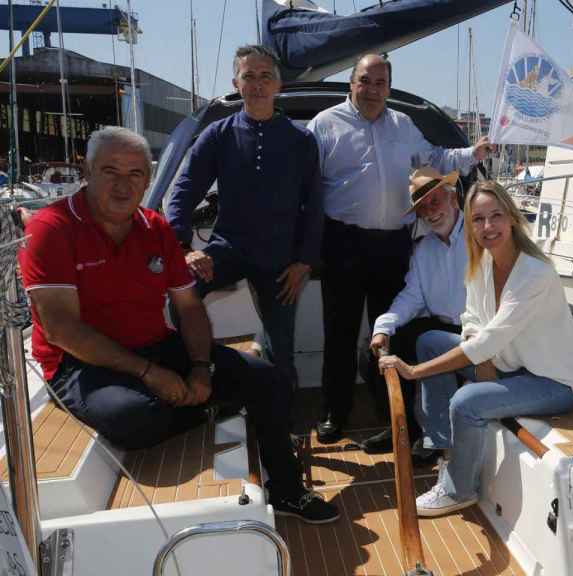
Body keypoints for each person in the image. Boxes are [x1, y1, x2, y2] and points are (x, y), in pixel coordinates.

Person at [19, 127, 338, 524]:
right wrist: (150, 373)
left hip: (154, 344)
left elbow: (189, 308)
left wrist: (200, 367)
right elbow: (62, 330)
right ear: (87, 171)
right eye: (110, 171)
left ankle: (288, 491)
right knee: (135, 418)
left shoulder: (154, 227)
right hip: (80, 363)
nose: (123, 186)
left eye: (135, 174)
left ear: (148, 181)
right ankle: (215, 403)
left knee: (268, 379)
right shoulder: (51, 227)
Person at [378, 180, 573, 517]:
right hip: (511, 364)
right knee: (430, 341)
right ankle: (446, 451)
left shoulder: (534, 272)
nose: (488, 226)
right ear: (471, 224)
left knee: (466, 402)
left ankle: (458, 490)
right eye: (478, 219)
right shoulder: (482, 263)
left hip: (554, 382)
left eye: (496, 216)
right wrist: (482, 355)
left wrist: (414, 371)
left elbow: (490, 339)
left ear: (512, 217)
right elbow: (472, 318)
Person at [307, 53, 490, 444]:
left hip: (392, 244)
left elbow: (435, 158)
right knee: (338, 333)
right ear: (351, 83)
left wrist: (471, 155)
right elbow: (303, 183)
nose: (372, 90)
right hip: (342, 242)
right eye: (365, 81)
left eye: (380, 83)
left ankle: (392, 418)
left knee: (391, 334)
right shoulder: (323, 125)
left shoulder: (404, 125)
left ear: (388, 88)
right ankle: (334, 413)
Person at [166, 45, 321, 388]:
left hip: (280, 260)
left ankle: (282, 411)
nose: (257, 84)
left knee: (282, 350)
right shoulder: (218, 134)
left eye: (266, 76)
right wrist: (183, 247)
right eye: (249, 76)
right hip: (228, 249)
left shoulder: (301, 140)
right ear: (236, 83)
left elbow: (314, 204)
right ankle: (203, 369)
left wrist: (304, 262)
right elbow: (185, 190)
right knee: (183, 289)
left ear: (278, 85)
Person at [361, 167, 468, 457]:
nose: (430, 211)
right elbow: (412, 297)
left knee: (427, 341)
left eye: (435, 201)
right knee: (373, 352)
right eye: (422, 207)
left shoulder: (480, 236)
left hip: (478, 331)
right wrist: (383, 327)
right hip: (443, 326)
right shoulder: (424, 249)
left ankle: (435, 438)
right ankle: (403, 428)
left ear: (453, 199)